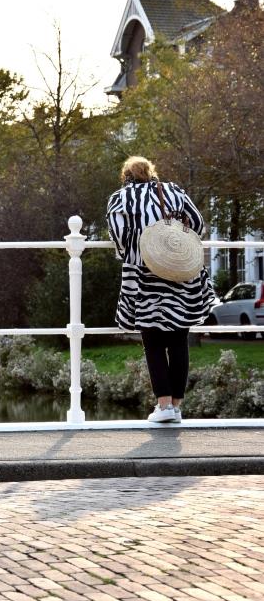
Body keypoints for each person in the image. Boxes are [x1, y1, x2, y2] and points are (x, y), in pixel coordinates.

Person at [106, 156, 215, 424]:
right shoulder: (173, 191)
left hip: (143, 275)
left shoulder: (120, 198)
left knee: (152, 340)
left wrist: (140, 249)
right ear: (151, 172)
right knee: (179, 340)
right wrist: (173, 244)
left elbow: (118, 237)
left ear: (126, 175)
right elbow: (197, 224)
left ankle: (163, 405)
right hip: (179, 272)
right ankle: (176, 407)